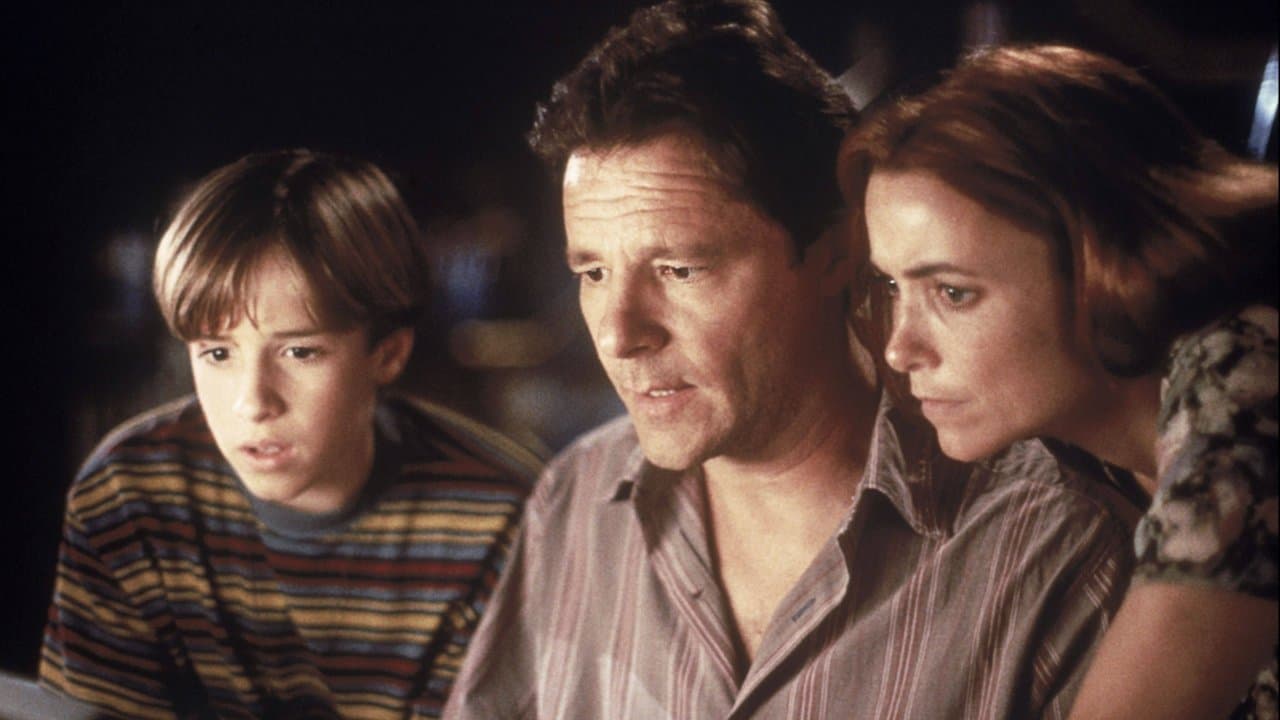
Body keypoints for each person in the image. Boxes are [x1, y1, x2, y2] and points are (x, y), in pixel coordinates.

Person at [444, 3, 1146, 718]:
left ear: (837, 252)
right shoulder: (574, 503)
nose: (620, 335)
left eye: (680, 270)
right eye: (593, 273)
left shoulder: (1052, 551)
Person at [839, 44, 1278, 720]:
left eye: (952, 293)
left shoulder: (1249, 367)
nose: (900, 349)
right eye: (892, 286)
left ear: (1107, 261)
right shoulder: (1077, 464)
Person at [39, 149, 542, 719]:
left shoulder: (502, 517)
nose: (252, 403)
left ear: (387, 354)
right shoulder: (128, 496)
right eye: (218, 353)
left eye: (300, 352)